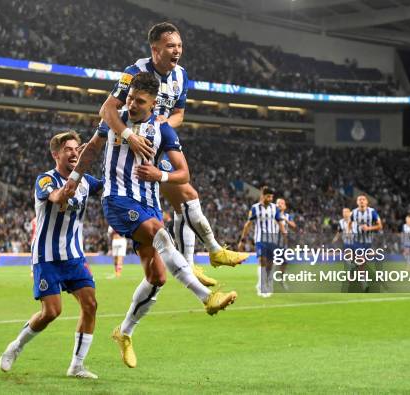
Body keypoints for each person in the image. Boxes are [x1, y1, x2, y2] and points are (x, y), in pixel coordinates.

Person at [66, 72, 237, 368]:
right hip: (117, 200)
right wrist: (73, 178)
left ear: (154, 103)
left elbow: (184, 174)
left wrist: (162, 175)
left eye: (139, 101)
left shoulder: (163, 132)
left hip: (150, 205)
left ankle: (124, 332)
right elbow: (92, 148)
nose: (131, 104)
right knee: (160, 233)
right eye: (130, 98)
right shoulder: (115, 119)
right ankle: (206, 297)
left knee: (156, 278)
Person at [101, 22, 248, 287]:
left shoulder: (182, 75)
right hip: (133, 150)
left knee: (186, 199)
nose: (177, 50)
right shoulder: (133, 73)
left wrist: (160, 126)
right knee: (187, 197)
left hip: (157, 144)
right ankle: (211, 253)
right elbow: (108, 110)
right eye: (171, 46)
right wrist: (130, 136)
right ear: (155, 49)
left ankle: (201, 259)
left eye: (179, 45)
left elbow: (179, 114)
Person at [0, 131, 102, 379]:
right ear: (56, 154)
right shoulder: (45, 180)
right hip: (47, 256)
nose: (74, 152)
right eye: (68, 149)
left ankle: (77, 365)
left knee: (91, 305)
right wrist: (67, 189)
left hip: (74, 255)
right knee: (52, 312)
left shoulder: (88, 181)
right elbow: (56, 197)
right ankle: (16, 347)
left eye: (77, 148)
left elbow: (113, 186)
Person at [238, 187, 287, 297]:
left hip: (273, 240)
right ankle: (262, 287)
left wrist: (284, 234)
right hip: (260, 239)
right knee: (262, 261)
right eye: (268, 196)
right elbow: (248, 224)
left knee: (270, 265)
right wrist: (242, 240)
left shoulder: (275, 208)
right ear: (263, 196)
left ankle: (268, 283)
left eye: (271, 197)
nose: (270, 198)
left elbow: (280, 222)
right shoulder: (255, 208)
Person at [351, 195, 382, 291]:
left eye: (363, 199)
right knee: (361, 260)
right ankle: (364, 282)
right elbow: (349, 222)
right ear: (357, 202)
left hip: (368, 241)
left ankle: (356, 269)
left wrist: (369, 228)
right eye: (359, 199)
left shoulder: (372, 212)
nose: (361, 201)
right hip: (357, 241)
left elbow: (379, 226)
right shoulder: (353, 213)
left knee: (362, 262)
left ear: (367, 202)